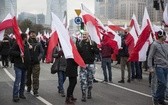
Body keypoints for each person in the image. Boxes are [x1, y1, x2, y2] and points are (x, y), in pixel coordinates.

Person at [77, 31, 99, 102]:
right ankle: (83, 95)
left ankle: (89, 92)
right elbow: (77, 54)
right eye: (83, 34)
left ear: (88, 35)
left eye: (85, 34)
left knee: (90, 80)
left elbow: (97, 52)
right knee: (83, 81)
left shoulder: (92, 43)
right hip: (83, 65)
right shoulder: (80, 44)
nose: (84, 35)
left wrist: (92, 47)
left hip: (91, 65)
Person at [148, 30, 168, 105]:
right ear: (161, 35)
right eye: (165, 35)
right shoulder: (154, 44)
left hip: (166, 67)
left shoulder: (166, 45)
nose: (166, 37)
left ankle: (161, 99)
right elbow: (150, 57)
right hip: (158, 66)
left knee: (165, 84)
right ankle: (156, 98)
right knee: (162, 83)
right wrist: (150, 67)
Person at [11, 33, 31, 102]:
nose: (27, 38)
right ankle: (15, 96)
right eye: (27, 37)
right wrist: (19, 54)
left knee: (23, 81)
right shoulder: (17, 43)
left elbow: (27, 54)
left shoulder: (27, 44)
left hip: (25, 66)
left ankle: (21, 94)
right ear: (24, 38)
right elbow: (11, 51)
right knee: (18, 81)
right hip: (18, 65)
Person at [26, 31, 44, 96]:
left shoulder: (38, 44)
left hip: (36, 63)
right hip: (28, 63)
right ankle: (28, 86)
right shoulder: (27, 44)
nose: (33, 35)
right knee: (28, 76)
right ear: (29, 35)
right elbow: (24, 51)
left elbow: (42, 52)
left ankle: (35, 90)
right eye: (31, 34)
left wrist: (38, 59)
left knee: (35, 77)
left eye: (34, 34)